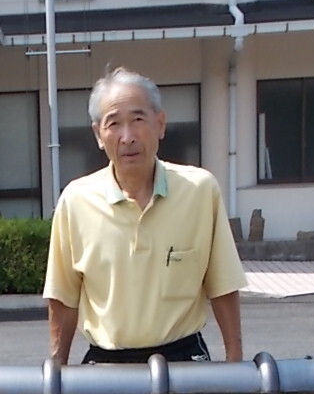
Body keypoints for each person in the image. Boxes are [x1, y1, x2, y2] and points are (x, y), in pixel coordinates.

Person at [44, 67, 245, 365]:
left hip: (183, 359)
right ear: (98, 134)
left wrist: (235, 361)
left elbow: (222, 284)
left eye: (138, 120)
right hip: (106, 365)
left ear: (160, 124)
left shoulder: (200, 190)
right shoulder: (76, 200)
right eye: (114, 123)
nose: (127, 137)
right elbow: (63, 297)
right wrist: (56, 372)